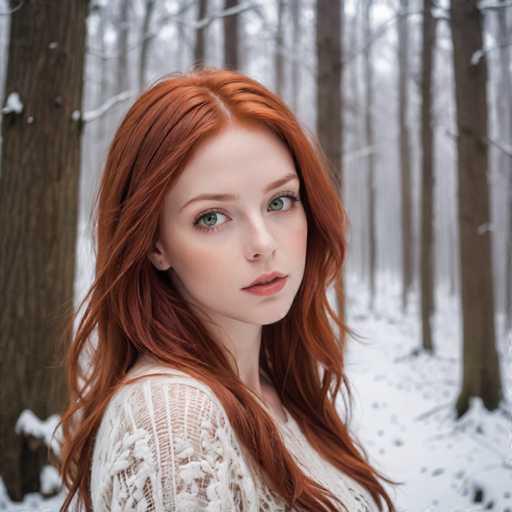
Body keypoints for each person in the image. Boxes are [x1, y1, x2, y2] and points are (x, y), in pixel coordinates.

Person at [56, 67, 399, 511]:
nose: (263, 244)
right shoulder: (174, 423)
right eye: (212, 217)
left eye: (279, 202)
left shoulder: (272, 387)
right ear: (156, 246)